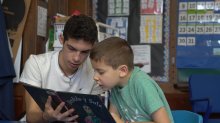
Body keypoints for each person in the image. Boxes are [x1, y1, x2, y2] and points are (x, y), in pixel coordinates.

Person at [20, 14, 103, 122]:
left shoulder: (95, 70)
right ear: (61, 39)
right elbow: (31, 116)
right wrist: (47, 117)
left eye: (84, 52)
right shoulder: (37, 64)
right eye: (71, 48)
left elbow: (94, 115)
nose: (77, 58)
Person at [89, 37, 174, 123]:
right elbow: (113, 115)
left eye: (100, 72)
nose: (95, 77)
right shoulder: (116, 85)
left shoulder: (142, 84)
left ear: (122, 71)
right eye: (94, 71)